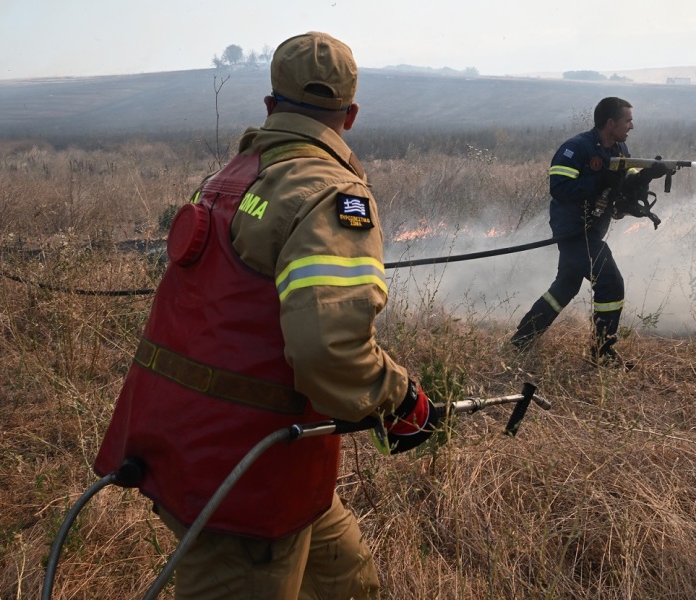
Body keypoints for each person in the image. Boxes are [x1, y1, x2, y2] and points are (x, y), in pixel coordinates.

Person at [93, 32, 441, 599]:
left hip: (188, 439)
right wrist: (401, 400)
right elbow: (329, 349)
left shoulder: (232, 178)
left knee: (347, 581)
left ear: (271, 106)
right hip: (244, 479)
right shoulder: (331, 196)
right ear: (349, 115)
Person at [509, 97, 665, 366]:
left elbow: (623, 180)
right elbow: (559, 188)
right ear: (611, 122)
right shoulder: (575, 149)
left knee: (564, 287)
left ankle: (521, 340)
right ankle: (602, 354)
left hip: (592, 231)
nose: (632, 125)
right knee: (610, 283)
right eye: (628, 120)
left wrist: (645, 176)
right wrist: (597, 180)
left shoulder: (619, 148)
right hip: (572, 231)